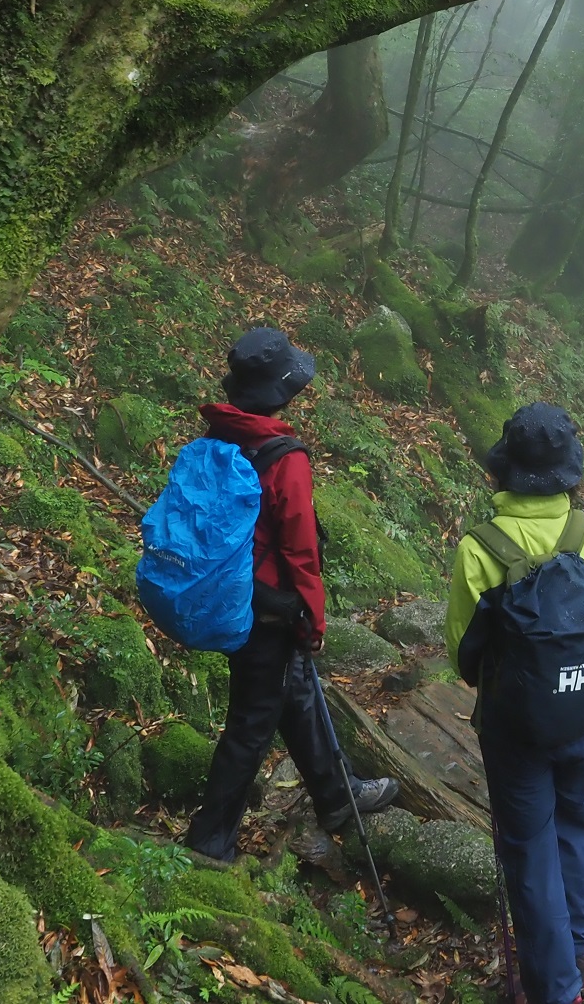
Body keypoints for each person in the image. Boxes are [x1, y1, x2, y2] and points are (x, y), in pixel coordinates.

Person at [185, 326, 399, 863]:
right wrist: (312, 619)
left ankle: (337, 795)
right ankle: (211, 840)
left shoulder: (217, 437)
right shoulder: (284, 457)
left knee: (296, 694)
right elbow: (301, 549)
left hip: (236, 595)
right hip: (273, 612)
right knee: (252, 724)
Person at [446, 403, 584, 1004]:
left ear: (508, 469)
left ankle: (554, 988)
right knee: (578, 820)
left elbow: (464, 653)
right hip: (581, 712)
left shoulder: (482, 548)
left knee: (529, 846)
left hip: (515, 725)